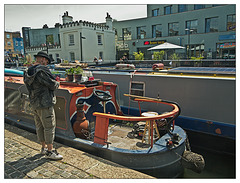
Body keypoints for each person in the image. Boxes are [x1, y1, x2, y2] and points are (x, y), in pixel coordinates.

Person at [24, 51, 63, 160]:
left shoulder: (28, 71)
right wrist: (58, 82)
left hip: (34, 103)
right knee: (49, 127)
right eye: (46, 60)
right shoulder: (42, 71)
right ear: (43, 60)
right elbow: (52, 85)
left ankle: (43, 148)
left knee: (39, 126)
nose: (46, 63)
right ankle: (50, 152)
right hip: (45, 103)